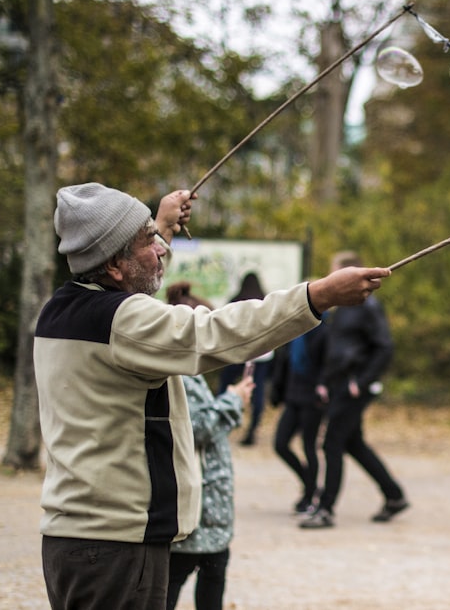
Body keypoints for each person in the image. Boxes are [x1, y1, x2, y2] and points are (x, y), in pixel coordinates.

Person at [35, 182, 389, 610]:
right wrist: (318, 296)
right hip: (116, 546)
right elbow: (215, 333)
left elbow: (130, 281)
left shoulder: (63, 309)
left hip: (81, 540)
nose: (161, 249)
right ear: (113, 264)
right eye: (149, 241)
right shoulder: (121, 320)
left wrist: (160, 225)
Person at [301, 250, 407, 529]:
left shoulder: (367, 306)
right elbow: (336, 350)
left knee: (331, 442)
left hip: (354, 388)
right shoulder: (342, 307)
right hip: (338, 384)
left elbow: (384, 347)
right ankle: (394, 495)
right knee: (353, 443)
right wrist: (325, 381)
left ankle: (325, 509)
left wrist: (361, 382)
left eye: (333, 271)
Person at [164, 283, 255, 610]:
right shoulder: (178, 373)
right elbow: (196, 428)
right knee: (173, 587)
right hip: (195, 518)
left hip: (209, 515)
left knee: (208, 583)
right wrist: (233, 401)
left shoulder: (189, 371)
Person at [270, 323, 327, 515]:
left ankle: (310, 494)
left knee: (308, 446)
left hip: (313, 398)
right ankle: (309, 483)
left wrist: (323, 386)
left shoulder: (326, 328)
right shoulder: (297, 326)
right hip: (293, 395)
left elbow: (330, 361)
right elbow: (284, 361)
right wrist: (277, 391)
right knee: (280, 444)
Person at [219, 272, 274, 446]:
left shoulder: (236, 300)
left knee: (225, 385)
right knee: (257, 393)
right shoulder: (266, 301)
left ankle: (221, 421)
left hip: (238, 355)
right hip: (261, 356)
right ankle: (252, 430)